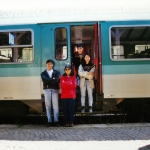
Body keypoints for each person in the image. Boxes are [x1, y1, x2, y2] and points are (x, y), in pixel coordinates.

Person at [41, 59, 60, 127]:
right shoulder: (43, 73)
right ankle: (49, 121)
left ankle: (56, 121)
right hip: (47, 90)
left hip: (54, 90)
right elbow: (44, 80)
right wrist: (52, 79)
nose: (50, 65)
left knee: (56, 106)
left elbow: (57, 81)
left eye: (51, 64)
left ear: (52, 65)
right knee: (48, 106)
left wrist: (48, 81)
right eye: (48, 64)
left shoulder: (56, 72)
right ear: (46, 65)